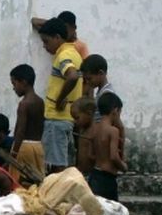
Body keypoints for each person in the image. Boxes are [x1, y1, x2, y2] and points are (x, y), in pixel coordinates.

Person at [38, 17, 83, 174]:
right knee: (62, 162)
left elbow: (72, 76)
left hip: (57, 118)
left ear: (57, 37)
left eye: (46, 41)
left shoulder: (64, 56)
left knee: (57, 165)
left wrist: (60, 99)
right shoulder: (74, 53)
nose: (44, 46)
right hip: (66, 118)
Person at [80, 54, 125, 158]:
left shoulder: (107, 95)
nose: (87, 82)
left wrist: (121, 151)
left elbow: (118, 123)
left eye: (89, 79)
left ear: (101, 73)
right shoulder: (100, 93)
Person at [7, 64, 45, 184]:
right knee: (36, 181)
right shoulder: (40, 101)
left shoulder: (24, 104)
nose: (14, 88)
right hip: (38, 146)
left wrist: (13, 154)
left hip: (24, 148)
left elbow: (20, 131)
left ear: (23, 82)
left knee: (19, 181)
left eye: (14, 84)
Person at [88, 92, 127, 201]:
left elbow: (90, 155)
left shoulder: (94, 128)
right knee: (112, 212)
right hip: (107, 179)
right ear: (115, 111)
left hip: (95, 175)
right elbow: (114, 156)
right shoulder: (113, 131)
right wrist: (123, 166)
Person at [71, 97, 97, 176]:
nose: (75, 122)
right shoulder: (82, 130)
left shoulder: (94, 131)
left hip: (91, 174)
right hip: (80, 172)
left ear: (89, 114)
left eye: (77, 118)